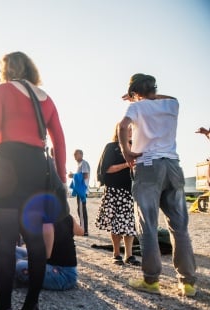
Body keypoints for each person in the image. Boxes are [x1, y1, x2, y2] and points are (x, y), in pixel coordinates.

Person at [0, 51, 67, 310]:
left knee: (4, 242)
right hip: (38, 167)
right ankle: (31, 307)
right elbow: (59, 140)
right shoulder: (46, 98)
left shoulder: (1, 91)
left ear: (6, 69)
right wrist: (60, 174)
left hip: (7, 164)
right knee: (35, 238)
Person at [118, 73, 197, 297]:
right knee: (179, 227)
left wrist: (126, 151)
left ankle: (151, 280)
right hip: (172, 165)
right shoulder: (171, 104)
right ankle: (188, 282)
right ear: (154, 88)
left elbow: (123, 126)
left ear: (135, 91)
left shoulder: (136, 108)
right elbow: (169, 96)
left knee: (148, 226)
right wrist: (144, 94)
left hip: (148, 165)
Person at [95, 124, 140, 266]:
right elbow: (106, 169)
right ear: (119, 131)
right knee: (115, 224)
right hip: (114, 191)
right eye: (127, 129)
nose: (130, 131)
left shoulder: (135, 147)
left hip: (130, 191)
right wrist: (127, 164)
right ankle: (116, 254)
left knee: (129, 224)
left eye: (131, 129)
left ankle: (129, 255)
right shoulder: (111, 147)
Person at [15, 214, 84, 290]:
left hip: (62, 274)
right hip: (50, 264)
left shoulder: (47, 224)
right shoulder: (66, 216)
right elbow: (81, 232)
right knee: (14, 250)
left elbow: (45, 255)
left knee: (19, 266)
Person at [68, 149, 90, 235]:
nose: (74, 156)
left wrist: (73, 175)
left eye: (75, 154)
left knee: (81, 210)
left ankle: (84, 230)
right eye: (74, 155)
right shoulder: (79, 164)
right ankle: (83, 229)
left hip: (82, 190)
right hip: (80, 190)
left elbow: (85, 175)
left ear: (81, 154)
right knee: (80, 210)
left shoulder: (84, 163)